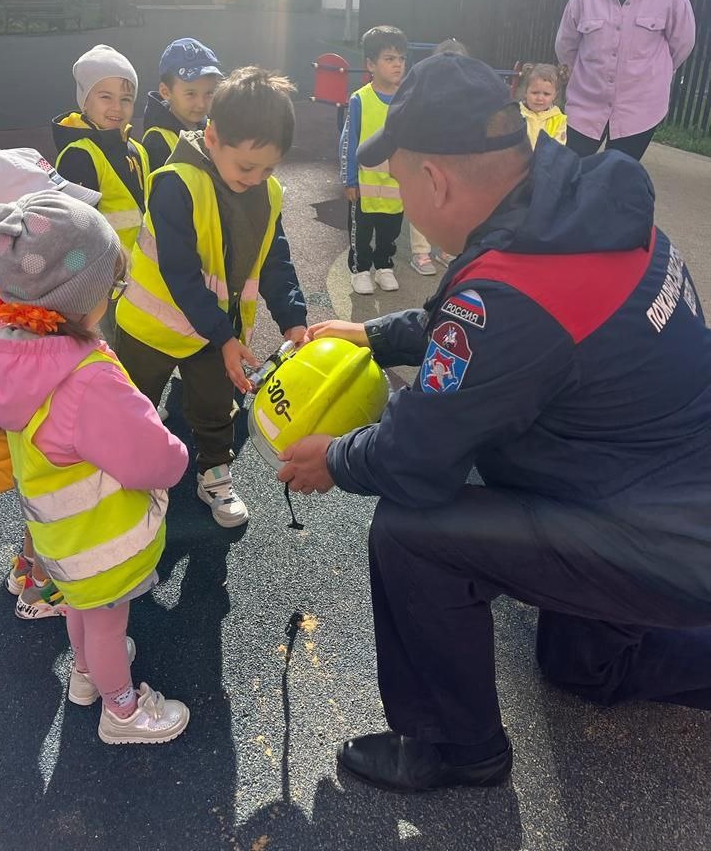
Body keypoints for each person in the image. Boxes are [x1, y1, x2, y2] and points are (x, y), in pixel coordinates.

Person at [278, 52, 711, 793]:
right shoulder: (581, 202)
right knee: (580, 670)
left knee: (413, 533)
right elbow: (501, 330)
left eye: (402, 179)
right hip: (658, 487)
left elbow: (417, 455)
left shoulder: (510, 295)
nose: (404, 195)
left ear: (435, 180)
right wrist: (375, 335)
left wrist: (337, 458)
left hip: (660, 535)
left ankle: (458, 747)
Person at [0, 191, 190, 745]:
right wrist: (178, 455)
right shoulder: (85, 378)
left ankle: (86, 674)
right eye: (111, 288)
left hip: (58, 539)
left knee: (82, 608)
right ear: (79, 297)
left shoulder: (9, 353)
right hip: (102, 540)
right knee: (110, 620)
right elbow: (151, 457)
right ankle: (123, 709)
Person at [115, 66, 308, 529]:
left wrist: (293, 320)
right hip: (151, 329)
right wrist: (223, 336)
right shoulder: (174, 183)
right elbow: (180, 275)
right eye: (247, 166)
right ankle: (125, 477)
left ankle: (214, 474)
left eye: (269, 168)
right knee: (132, 406)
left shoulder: (268, 191)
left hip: (214, 332)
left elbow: (275, 259)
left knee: (216, 406)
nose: (257, 177)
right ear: (214, 135)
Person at [0, 147, 103, 620]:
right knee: (52, 499)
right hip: (23, 427)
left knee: (36, 498)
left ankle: (27, 566)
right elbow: (39, 377)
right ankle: (44, 589)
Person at [556, 0, 695, 162]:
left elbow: (682, 44)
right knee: (569, 176)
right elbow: (566, 43)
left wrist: (652, 74)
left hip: (639, 111)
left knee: (615, 183)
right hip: (586, 106)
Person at [52, 44, 149, 253]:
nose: (117, 107)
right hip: (106, 274)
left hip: (139, 271)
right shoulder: (79, 155)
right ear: (84, 102)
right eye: (106, 97)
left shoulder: (138, 149)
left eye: (126, 99)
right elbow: (76, 230)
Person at [340, 26, 407, 295]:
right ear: (371, 64)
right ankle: (360, 269)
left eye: (401, 58)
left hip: (396, 185)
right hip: (365, 184)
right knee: (362, 231)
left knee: (390, 230)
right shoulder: (360, 100)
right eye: (389, 58)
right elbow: (349, 141)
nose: (397, 64)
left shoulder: (406, 98)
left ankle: (384, 267)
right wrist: (349, 179)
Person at [409, 37, 465, 275]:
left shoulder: (466, 96)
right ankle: (420, 252)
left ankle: (445, 248)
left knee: (449, 206)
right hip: (428, 160)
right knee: (424, 205)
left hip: (454, 161)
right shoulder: (424, 94)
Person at [142, 37, 224, 171]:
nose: (201, 104)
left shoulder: (213, 128)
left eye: (209, 93)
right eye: (191, 94)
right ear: (165, 92)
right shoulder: (157, 141)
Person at [518, 63, 568, 149]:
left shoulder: (558, 119)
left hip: (544, 161)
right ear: (526, 92)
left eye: (546, 94)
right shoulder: (516, 113)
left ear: (555, 95)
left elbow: (557, 147)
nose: (540, 98)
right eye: (535, 93)